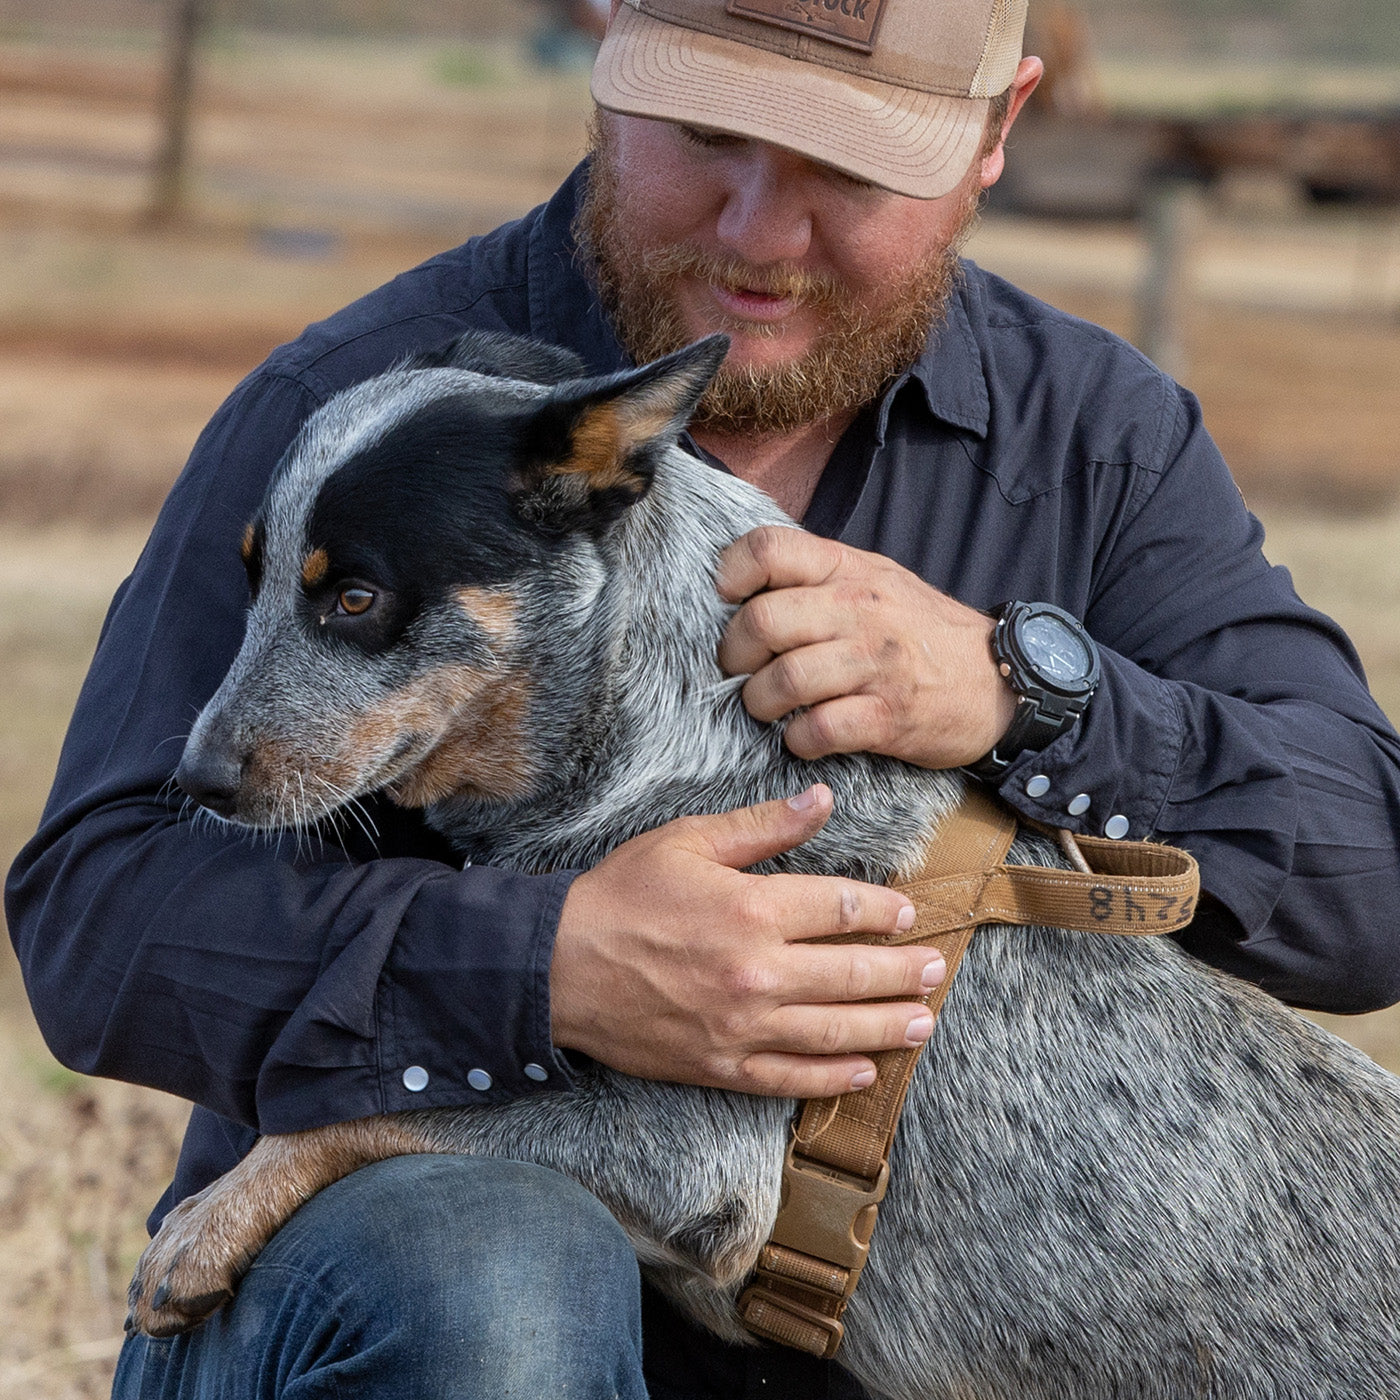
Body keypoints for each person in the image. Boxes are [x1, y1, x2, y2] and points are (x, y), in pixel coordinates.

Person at [9, 0, 1400, 1396]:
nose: (759, 233)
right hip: (408, 1318)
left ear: (997, 135)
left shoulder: (1094, 442)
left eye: (847, 172)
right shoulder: (355, 410)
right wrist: (548, 965)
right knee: (500, 1283)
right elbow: (97, 918)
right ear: (609, 55)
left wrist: (1027, 692)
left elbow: (1370, 887)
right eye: (709, 134)